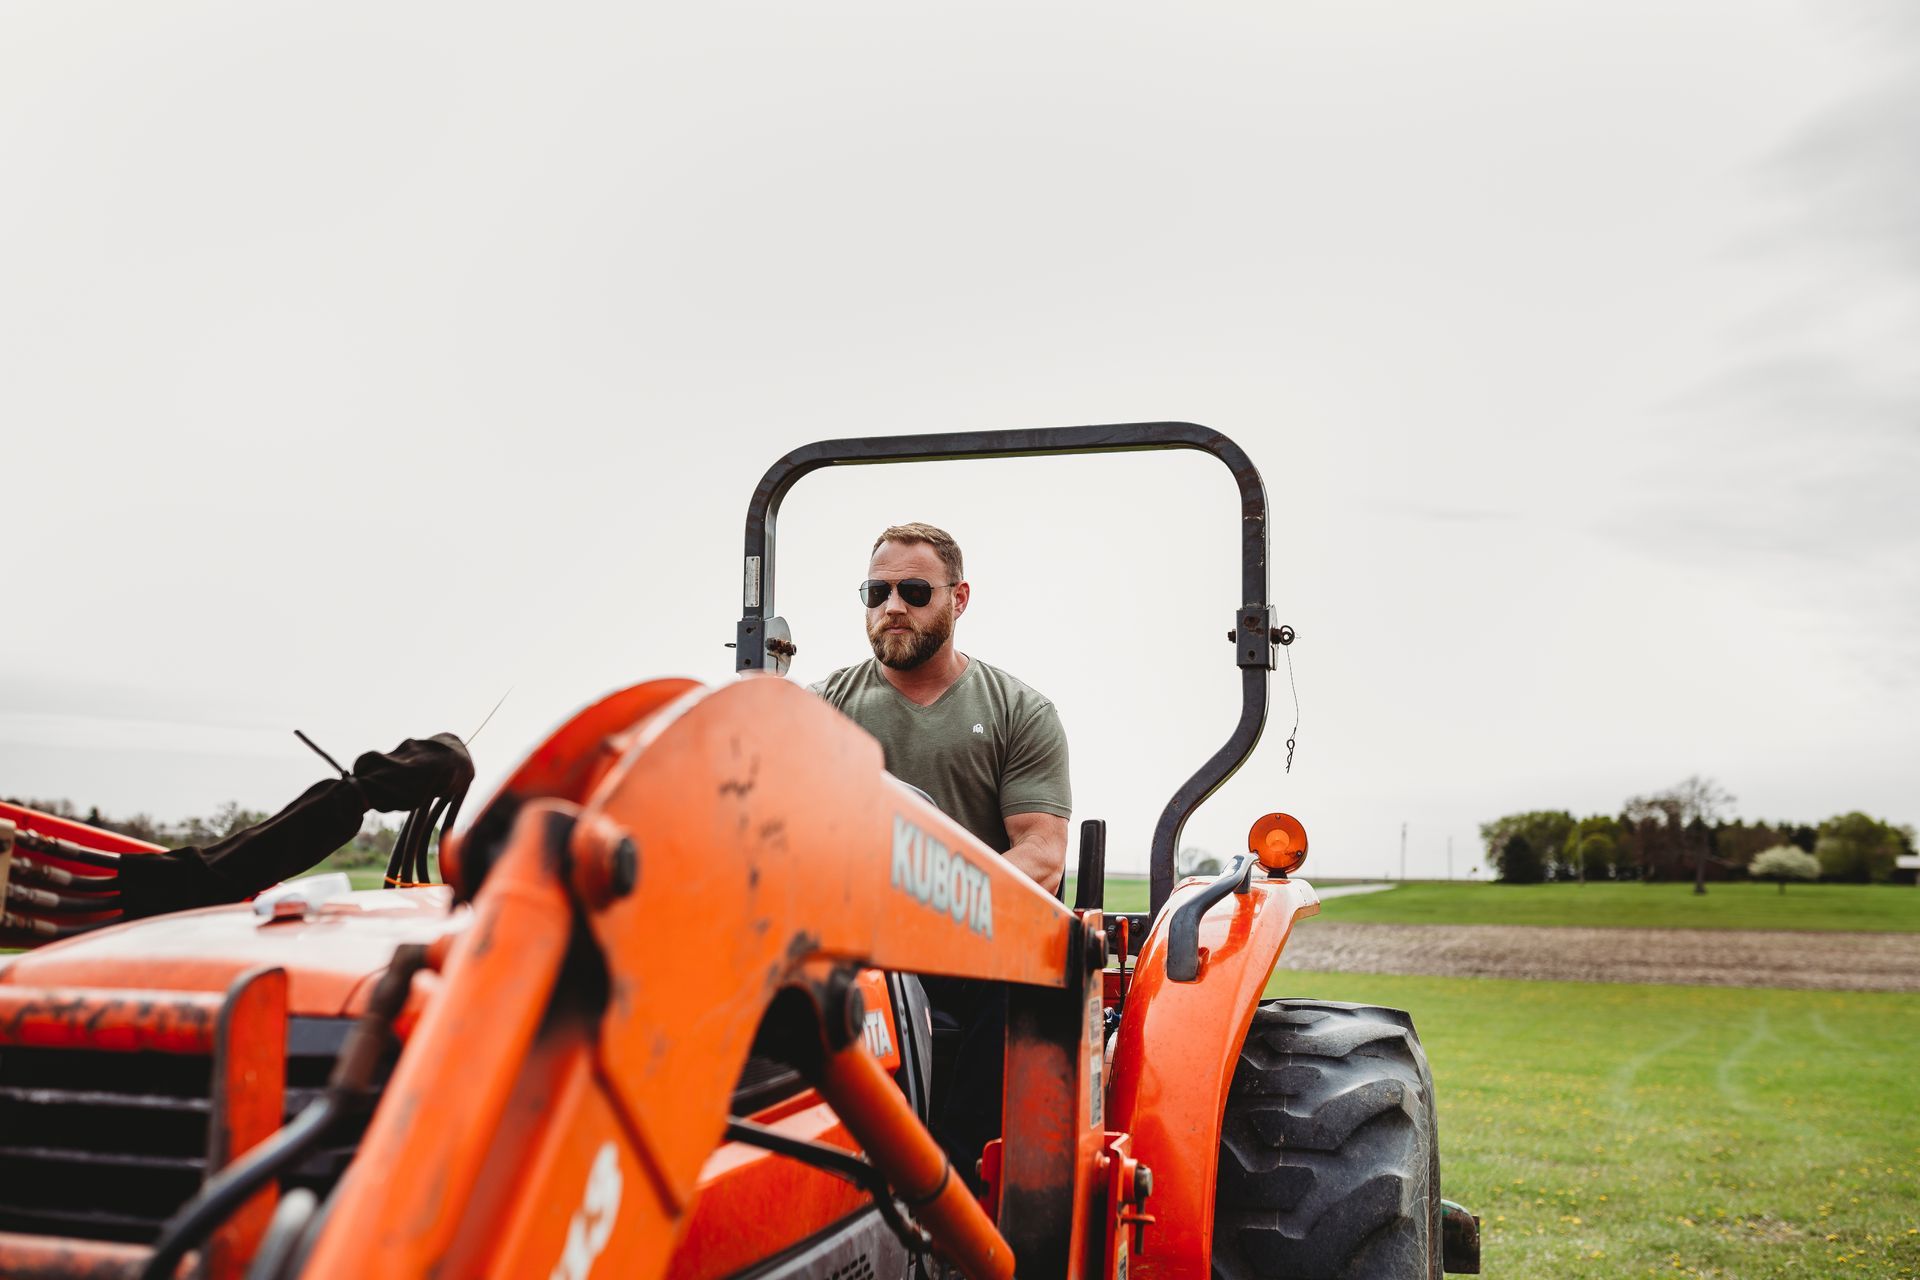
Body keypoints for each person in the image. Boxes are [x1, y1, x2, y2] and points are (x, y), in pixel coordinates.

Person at [810, 522, 1070, 1184]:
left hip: (973, 940)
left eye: (914, 590)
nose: (892, 605)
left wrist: (937, 903)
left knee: (1026, 990)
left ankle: (952, 1189)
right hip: (853, 932)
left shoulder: (1017, 710)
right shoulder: (822, 710)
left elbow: (1041, 852)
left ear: (959, 598)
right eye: (877, 591)